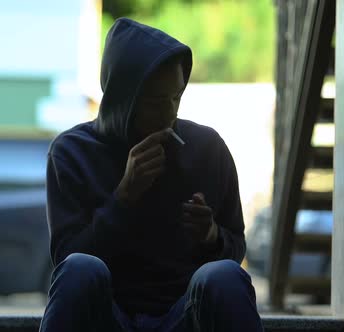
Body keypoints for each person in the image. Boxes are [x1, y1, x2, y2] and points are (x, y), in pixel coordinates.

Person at [39, 18, 263, 332]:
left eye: (176, 98)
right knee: (80, 267)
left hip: (184, 315)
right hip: (109, 317)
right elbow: (66, 264)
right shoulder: (72, 153)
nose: (169, 114)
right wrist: (123, 198)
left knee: (223, 275)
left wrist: (211, 235)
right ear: (123, 100)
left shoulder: (207, 149)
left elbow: (236, 247)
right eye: (156, 103)